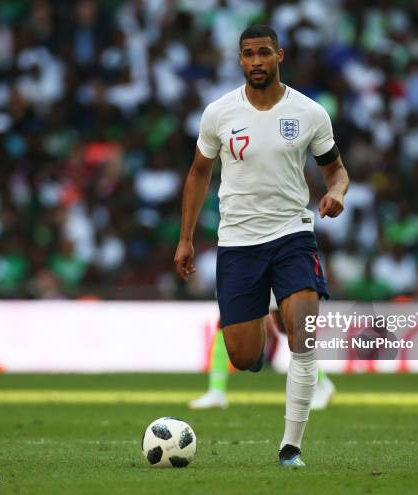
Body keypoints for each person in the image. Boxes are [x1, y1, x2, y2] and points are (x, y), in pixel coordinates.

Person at [174, 24, 349, 467]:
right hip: (237, 242)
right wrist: (185, 239)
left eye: (264, 53)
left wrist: (337, 193)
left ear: (279, 56)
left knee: (303, 333)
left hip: (293, 233)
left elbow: (336, 171)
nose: (256, 61)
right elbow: (198, 173)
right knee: (244, 354)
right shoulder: (219, 113)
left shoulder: (309, 113)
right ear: (240, 59)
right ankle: (256, 340)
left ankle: (291, 447)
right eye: (248, 54)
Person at [189, 294, 336, 410]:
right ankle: (216, 391)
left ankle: (321, 382)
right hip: (244, 264)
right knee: (226, 319)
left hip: (268, 260)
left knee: (286, 323)